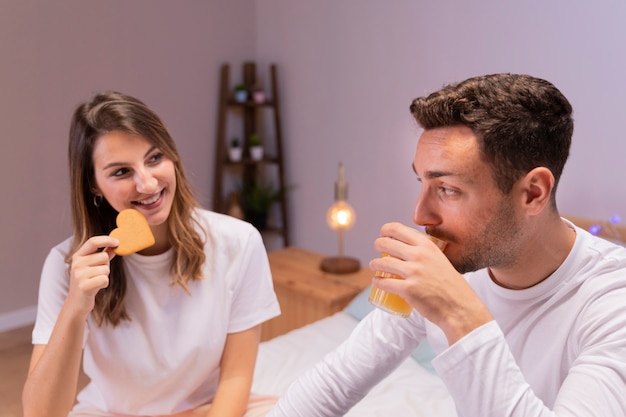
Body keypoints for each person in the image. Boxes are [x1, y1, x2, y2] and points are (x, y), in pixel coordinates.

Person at [267, 74, 626, 416]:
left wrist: (459, 314)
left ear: (533, 193)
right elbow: (336, 383)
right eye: (421, 182)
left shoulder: (612, 303)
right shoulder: (455, 262)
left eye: (448, 190)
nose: (420, 214)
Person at [22, 91, 281, 417]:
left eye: (155, 158)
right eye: (121, 172)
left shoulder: (239, 243)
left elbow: (236, 377)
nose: (147, 183)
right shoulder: (65, 267)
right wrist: (76, 305)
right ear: (93, 185)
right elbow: (40, 414)